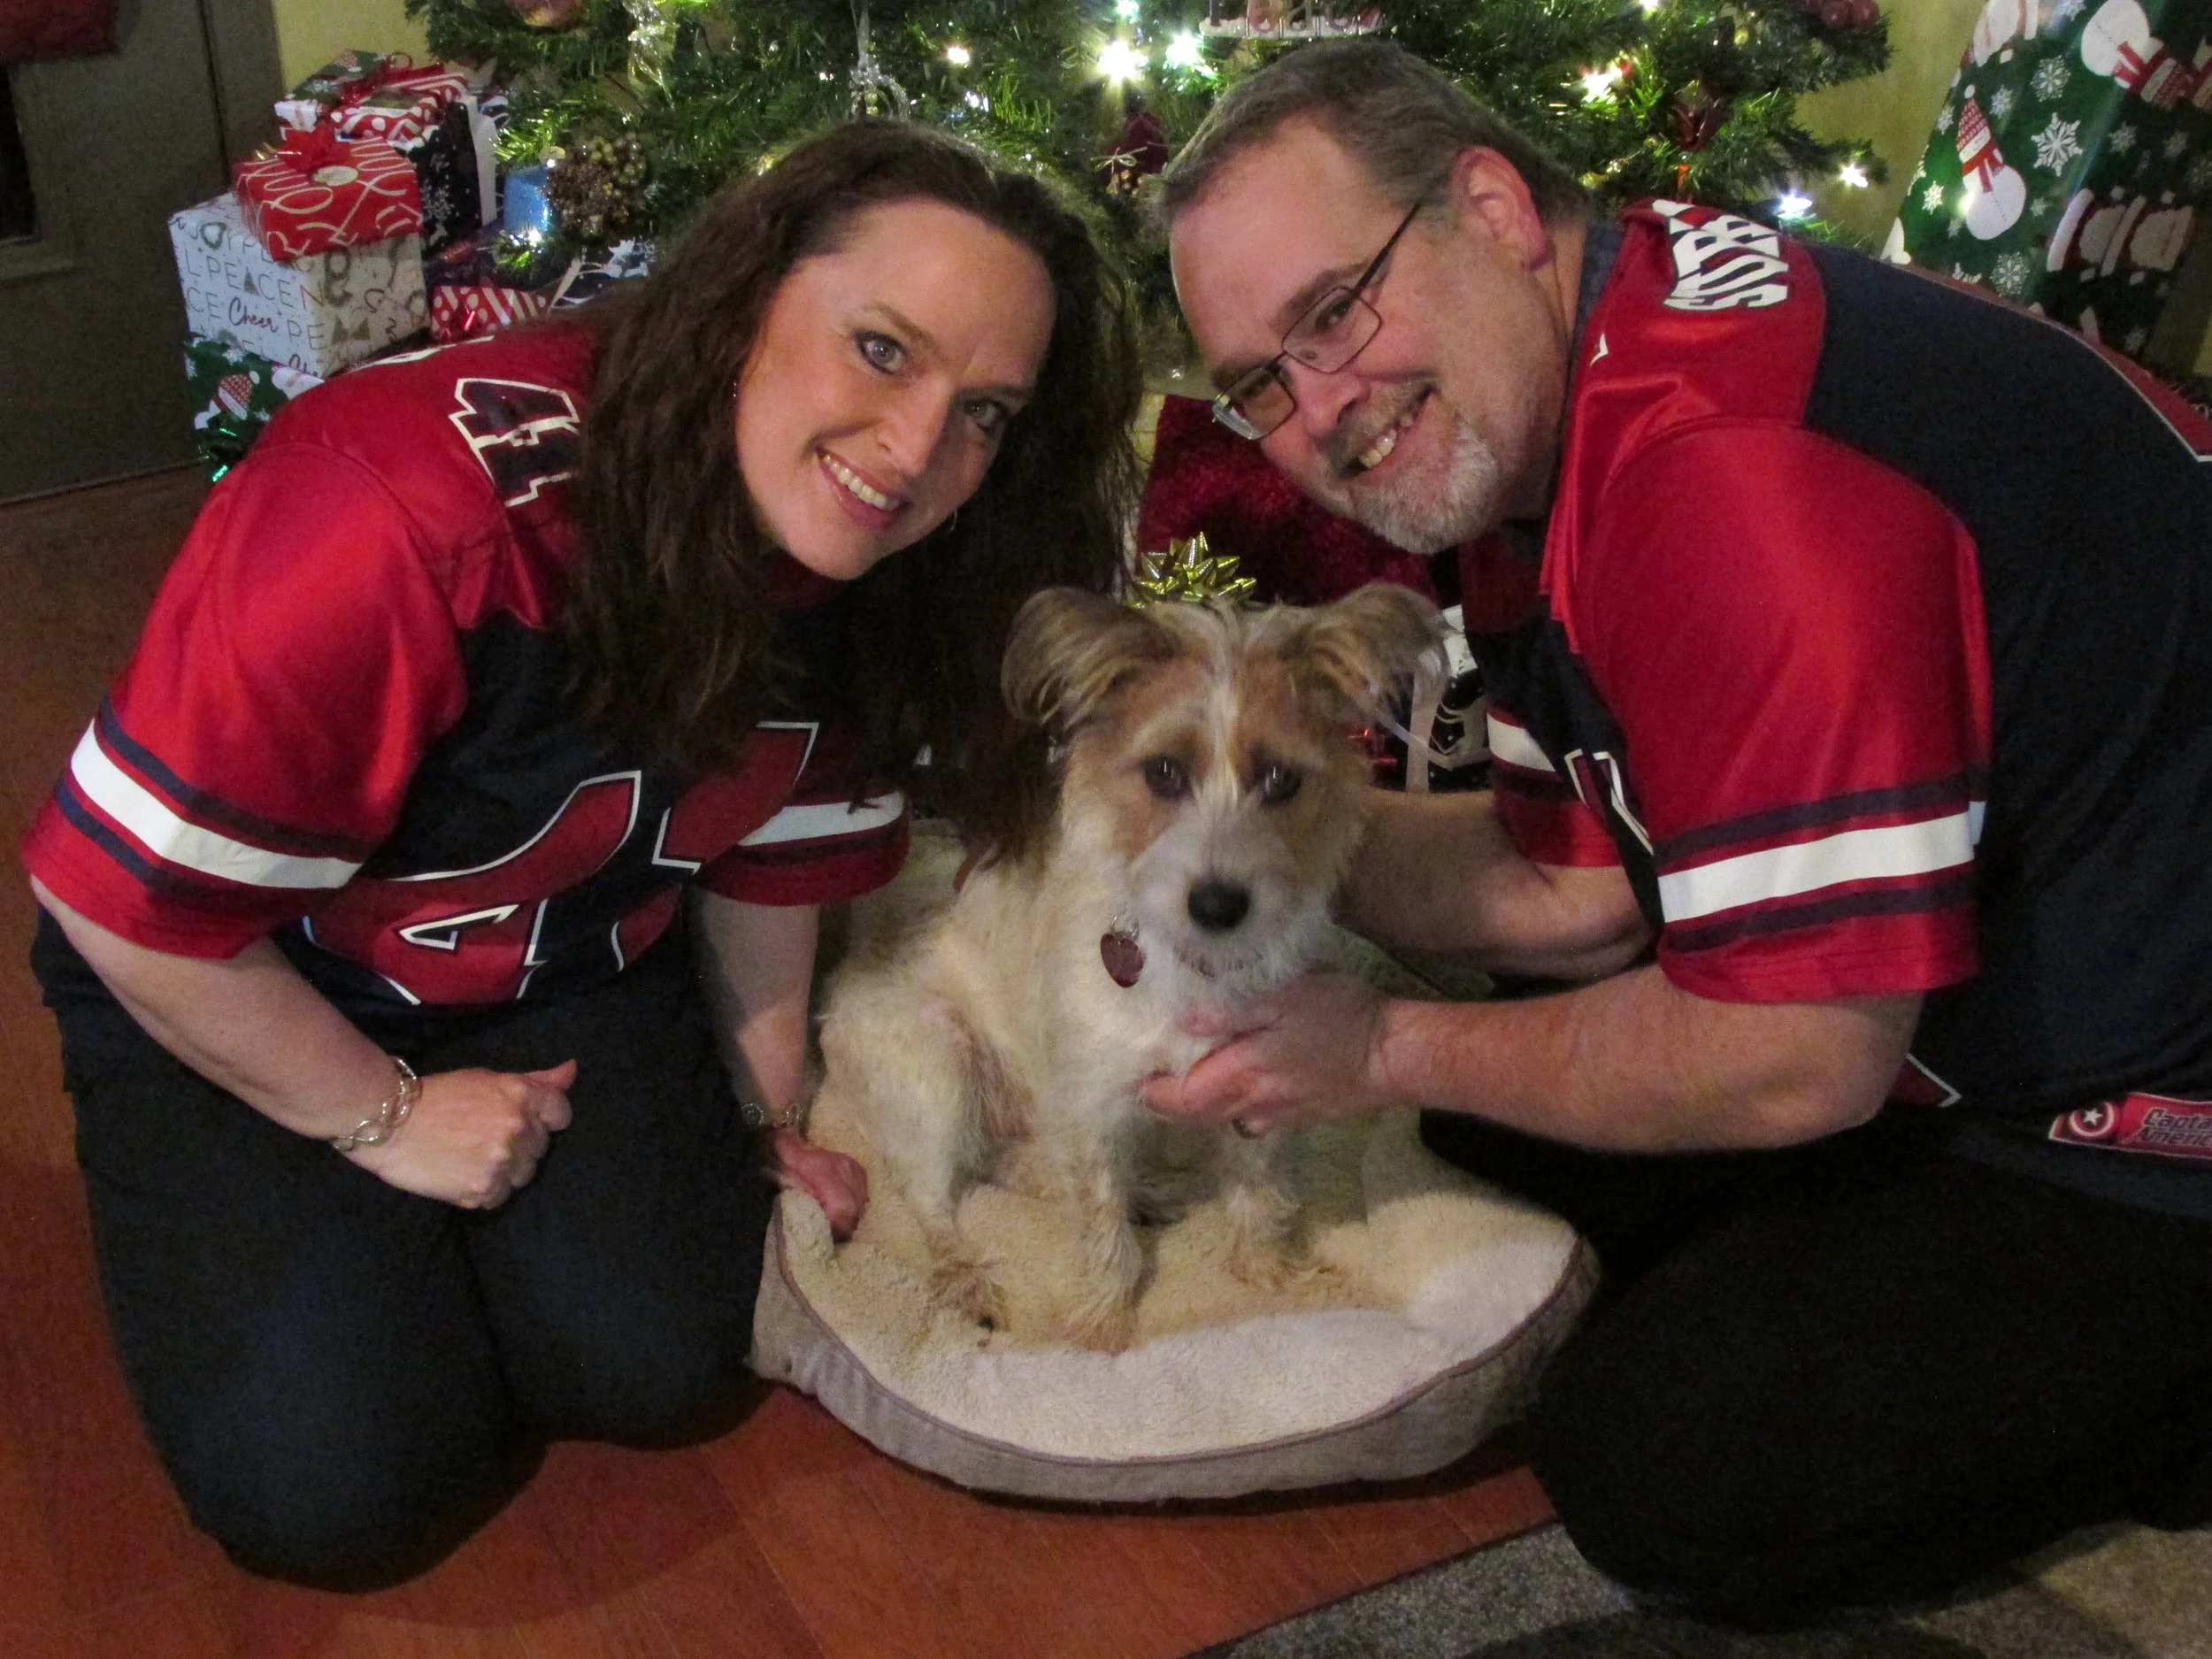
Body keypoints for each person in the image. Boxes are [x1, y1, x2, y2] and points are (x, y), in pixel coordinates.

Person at [1148, 39, 2212, 1622]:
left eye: (1333, 310)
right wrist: (1226, 845)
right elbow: (1577, 882)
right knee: (1500, 1143)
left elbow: (1795, 1053)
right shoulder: (1571, 370)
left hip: (2150, 1100)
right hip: (1988, 967)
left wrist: (1376, 1047)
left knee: (1664, 1460)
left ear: (1493, 206)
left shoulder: (1723, 487)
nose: (1317, 410)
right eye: (1258, 381)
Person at [24, 119, 1140, 1588]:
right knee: (341, 1491)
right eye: (882, 348)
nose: (922, 448)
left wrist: (765, 1105)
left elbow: (768, 854)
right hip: (238, 967)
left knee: (664, 1361)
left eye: (987, 411)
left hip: (562, 944)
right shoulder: (397, 510)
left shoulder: (894, 569)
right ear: (746, 300)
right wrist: (384, 1115)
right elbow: (119, 902)